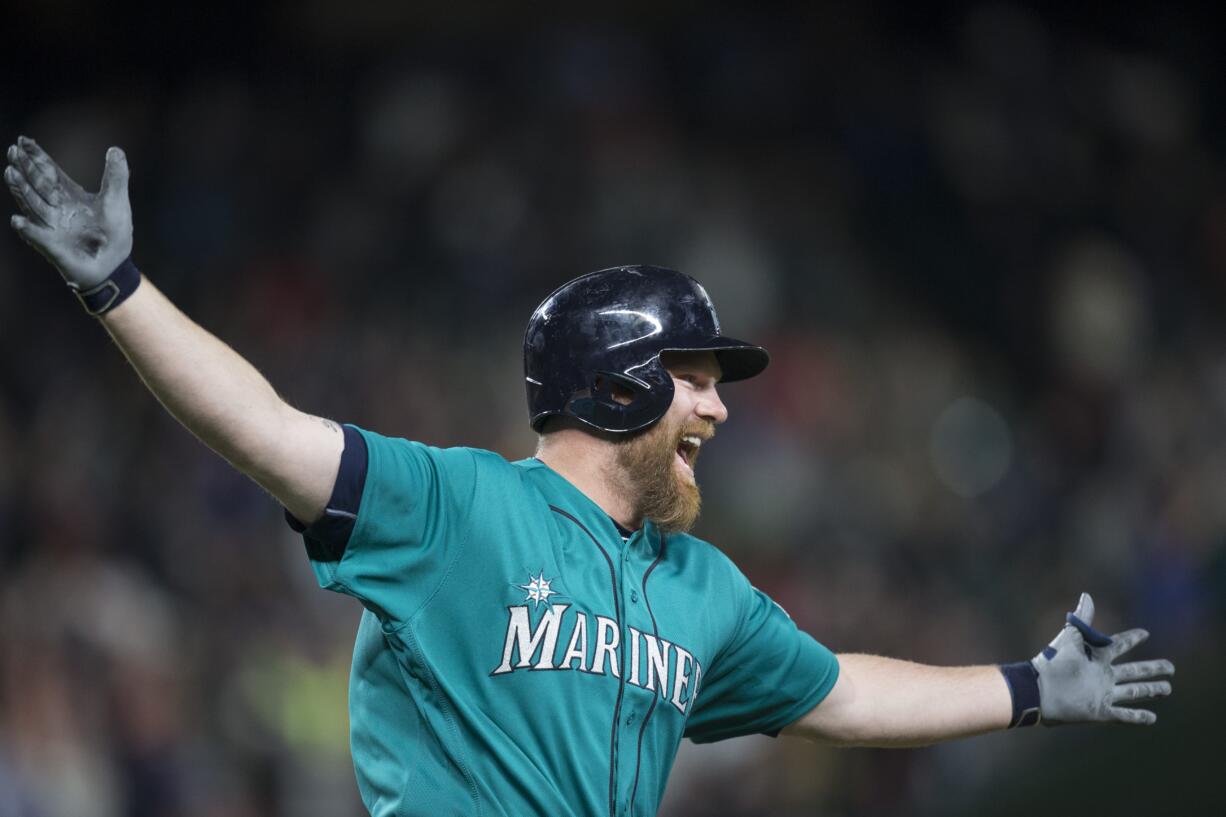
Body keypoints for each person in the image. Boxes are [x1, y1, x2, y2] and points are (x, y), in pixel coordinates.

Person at [4, 138, 1176, 817]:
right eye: (696, 378)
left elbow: (843, 696)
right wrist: (120, 290)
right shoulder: (457, 510)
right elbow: (259, 425)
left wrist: (1025, 686)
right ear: (615, 385)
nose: (720, 406)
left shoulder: (701, 585)